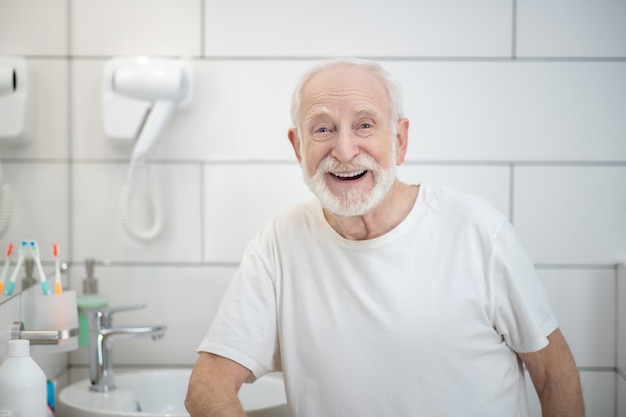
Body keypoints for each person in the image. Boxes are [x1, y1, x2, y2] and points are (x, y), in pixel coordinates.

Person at [185, 58, 585, 417]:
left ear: (399, 139)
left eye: (365, 125)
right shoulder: (278, 242)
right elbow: (207, 387)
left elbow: (553, 374)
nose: (344, 151)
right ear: (298, 147)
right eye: (323, 129)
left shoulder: (478, 230)